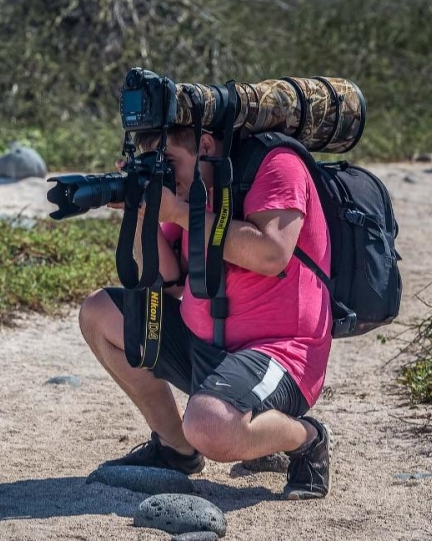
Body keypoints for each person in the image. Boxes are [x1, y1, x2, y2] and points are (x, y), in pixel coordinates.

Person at [78, 127, 333, 499]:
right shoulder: (192, 186)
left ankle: (307, 439)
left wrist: (181, 212)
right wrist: (138, 211)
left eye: (169, 162)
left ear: (207, 145)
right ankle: (175, 449)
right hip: (206, 347)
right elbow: (170, 281)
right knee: (99, 312)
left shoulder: (276, 165)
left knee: (212, 426)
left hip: (281, 354)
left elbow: (271, 254)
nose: (165, 173)